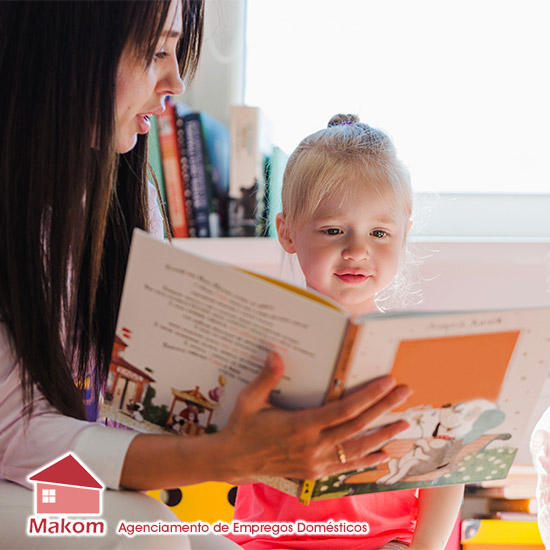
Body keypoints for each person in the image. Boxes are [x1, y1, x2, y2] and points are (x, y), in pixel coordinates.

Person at [0, 2, 412, 548]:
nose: (174, 81)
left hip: (68, 474)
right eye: (155, 52)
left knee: (200, 542)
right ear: (68, 53)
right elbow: (13, 434)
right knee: (155, 538)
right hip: (27, 470)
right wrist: (221, 455)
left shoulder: (128, 195)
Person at [229, 114, 464, 550]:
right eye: (334, 230)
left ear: (403, 237)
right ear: (287, 232)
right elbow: (223, 456)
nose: (357, 250)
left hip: (392, 541)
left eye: (379, 232)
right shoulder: (261, 346)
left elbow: (447, 471)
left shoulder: (417, 350)